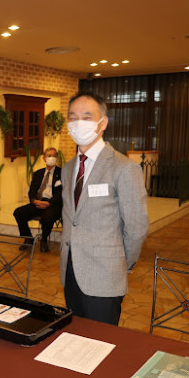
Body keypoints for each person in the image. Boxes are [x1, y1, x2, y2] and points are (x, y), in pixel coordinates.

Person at [60, 91, 149, 325]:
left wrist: (123, 262)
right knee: (75, 337)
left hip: (105, 274)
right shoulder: (68, 168)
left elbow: (136, 225)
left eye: (87, 117)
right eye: (73, 117)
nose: (78, 123)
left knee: (102, 341)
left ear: (103, 123)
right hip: (70, 272)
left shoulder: (124, 168)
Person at [13, 147, 62, 253]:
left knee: (48, 217)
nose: (51, 158)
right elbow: (32, 191)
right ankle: (28, 238)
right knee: (18, 212)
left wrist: (48, 203)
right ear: (44, 158)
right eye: (49, 156)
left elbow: (60, 194)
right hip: (38, 202)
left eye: (54, 156)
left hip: (52, 204)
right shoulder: (38, 173)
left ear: (57, 158)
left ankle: (44, 239)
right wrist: (34, 201)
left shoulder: (62, 173)